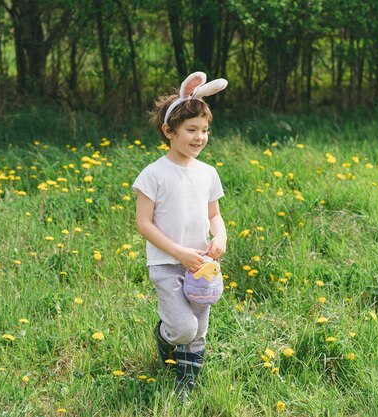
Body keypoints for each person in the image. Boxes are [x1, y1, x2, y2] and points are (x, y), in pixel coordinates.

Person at [132, 72, 228, 401]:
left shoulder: (207, 173)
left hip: (201, 264)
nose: (199, 137)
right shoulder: (154, 174)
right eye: (191, 130)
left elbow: (214, 214)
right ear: (169, 131)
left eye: (204, 130)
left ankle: (186, 381)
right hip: (167, 264)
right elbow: (143, 223)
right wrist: (178, 251)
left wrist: (221, 237)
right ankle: (164, 336)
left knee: (199, 329)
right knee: (183, 329)